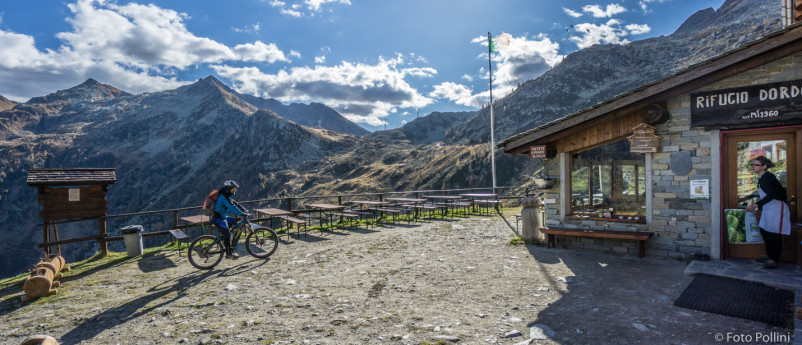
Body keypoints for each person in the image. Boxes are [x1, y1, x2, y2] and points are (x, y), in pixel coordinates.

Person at [745, 156, 791, 269]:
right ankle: (768, 254)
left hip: (776, 208)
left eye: (756, 165)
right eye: (752, 164)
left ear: (764, 166)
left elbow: (772, 194)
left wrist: (756, 204)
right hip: (768, 208)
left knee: (774, 234)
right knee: (765, 231)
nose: (753, 167)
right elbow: (774, 190)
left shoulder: (767, 177)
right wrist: (745, 198)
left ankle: (773, 259)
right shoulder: (763, 177)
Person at [210, 180, 249, 259]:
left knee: (234, 221)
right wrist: (242, 214)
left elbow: (235, 204)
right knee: (227, 234)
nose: (235, 190)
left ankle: (227, 241)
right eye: (234, 188)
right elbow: (232, 207)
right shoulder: (223, 197)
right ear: (229, 188)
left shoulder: (227, 196)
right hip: (218, 219)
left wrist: (244, 210)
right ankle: (228, 254)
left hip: (223, 217)